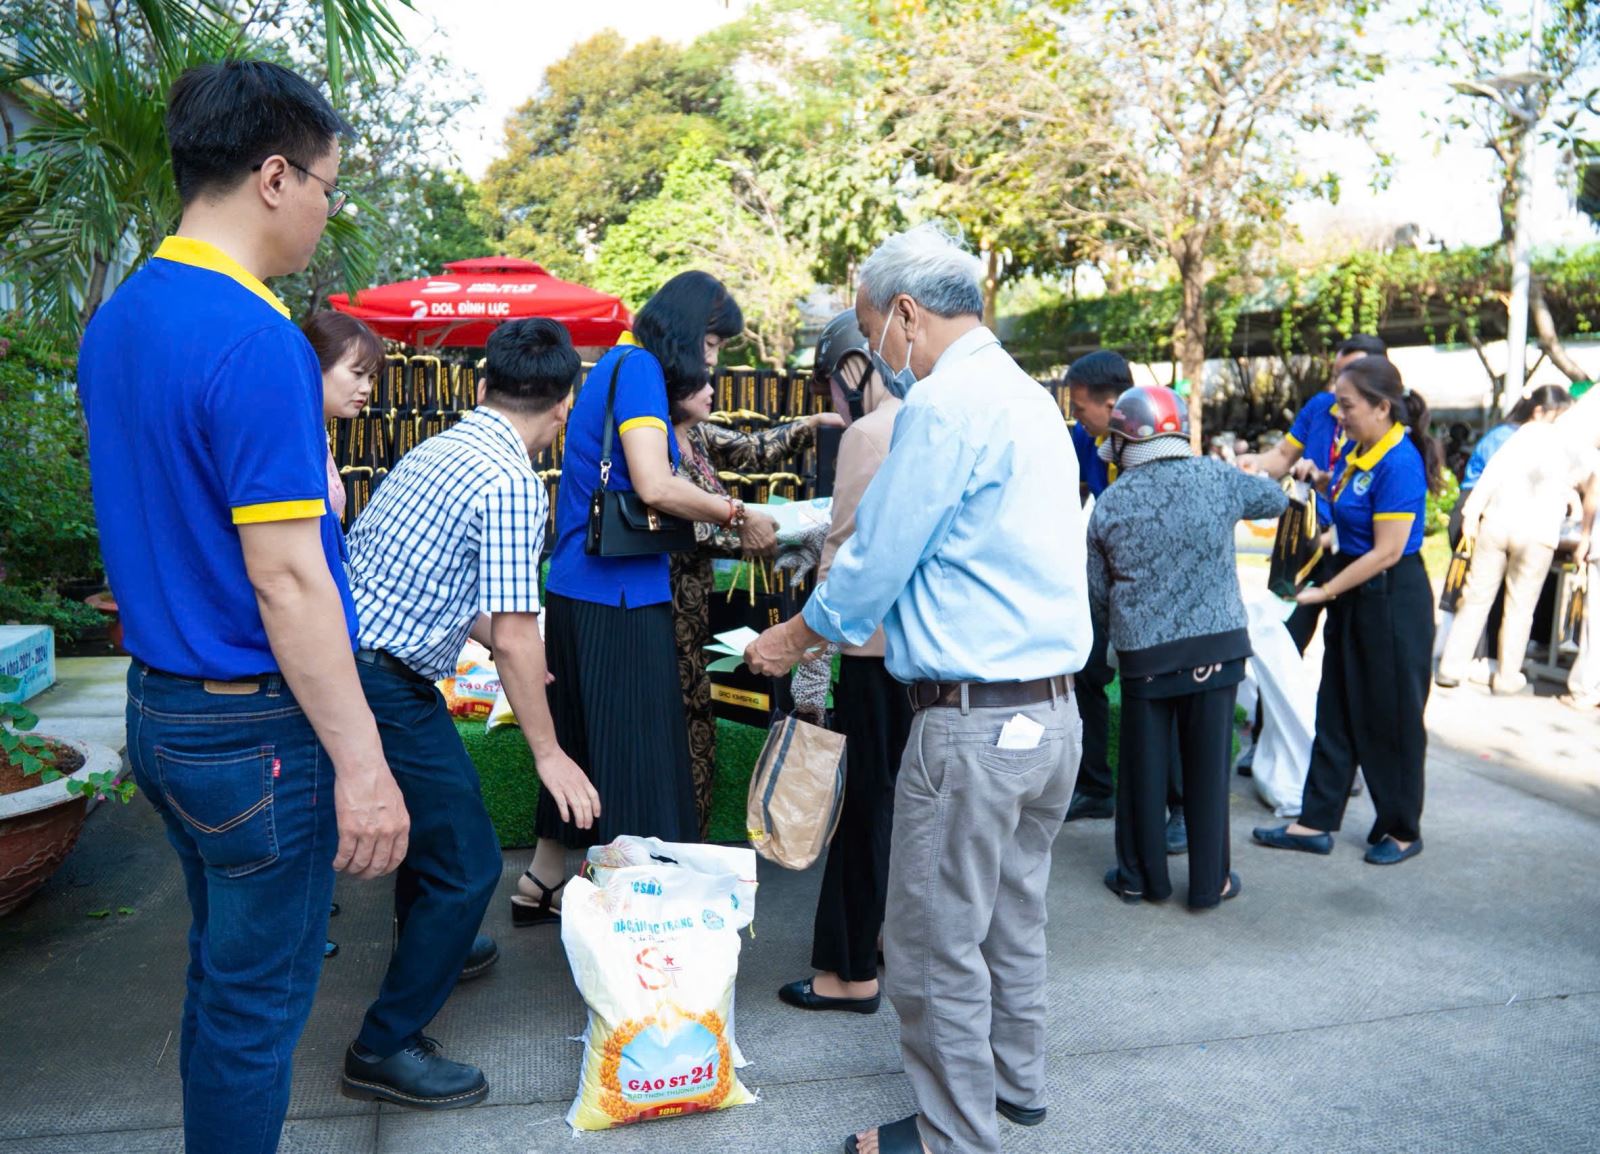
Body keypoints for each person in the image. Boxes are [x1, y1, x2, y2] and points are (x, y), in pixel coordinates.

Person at [78, 61, 409, 1154]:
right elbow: (289, 575)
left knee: (226, 979)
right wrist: (362, 765)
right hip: (253, 726)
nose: (326, 207)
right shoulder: (257, 336)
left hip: (163, 708)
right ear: (273, 176)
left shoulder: (121, 319)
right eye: (325, 183)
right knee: (255, 1004)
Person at [745, 223, 1092, 1154]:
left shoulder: (946, 404)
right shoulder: (1029, 399)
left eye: (871, 334)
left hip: (972, 725)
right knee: (1013, 916)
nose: (878, 358)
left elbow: (870, 562)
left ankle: (952, 1135)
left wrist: (787, 637)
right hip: (1053, 716)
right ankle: (1018, 1090)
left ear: (905, 314)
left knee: (937, 940)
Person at [338, 318, 600, 1107]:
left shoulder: (446, 446)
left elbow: (443, 582)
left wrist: (507, 642)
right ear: (562, 409)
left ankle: (438, 948)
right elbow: (516, 632)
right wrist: (549, 753)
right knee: (471, 864)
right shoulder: (515, 480)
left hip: (358, 657)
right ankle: (382, 1047)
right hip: (386, 683)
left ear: (484, 386)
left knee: (438, 837)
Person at [521, 272, 753, 913]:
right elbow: (652, 485)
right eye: (710, 342)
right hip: (619, 593)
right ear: (684, 332)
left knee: (582, 740)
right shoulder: (642, 369)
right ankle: (639, 915)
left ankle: (542, 880)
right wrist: (733, 512)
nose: (712, 358)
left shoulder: (615, 366)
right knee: (635, 757)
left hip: (576, 588)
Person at [1090, 386, 1287, 908]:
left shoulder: (1111, 503)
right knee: (1207, 773)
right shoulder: (1218, 479)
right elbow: (1277, 500)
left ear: (1125, 440)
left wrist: (1114, 647)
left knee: (1142, 776)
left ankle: (1139, 879)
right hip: (1218, 650)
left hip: (1146, 660)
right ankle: (1209, 884)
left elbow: (1098, 595)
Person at [777, 310, 914, 1016]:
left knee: (867, 810)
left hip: (875, 653)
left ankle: (849, 970)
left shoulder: (873, 430)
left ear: (856, 368)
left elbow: (843, 560)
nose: (832, 400)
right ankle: (892, 938)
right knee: (913, 812)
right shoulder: (949, 422)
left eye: (831, 382)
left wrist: (805, 668)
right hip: (941, 662)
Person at [1254, 356, 1444, 866]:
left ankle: (1401, 829)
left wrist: (1325, 592)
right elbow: (1345, 524)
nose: (1338, 416)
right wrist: (1318, 485)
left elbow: (1386, 551)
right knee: (1335, 705)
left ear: (1382, 407)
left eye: (1347, 406)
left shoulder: (1398, 462)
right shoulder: (1357, 453)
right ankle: (1313, 822)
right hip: (1355, 590)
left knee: (1391, 716)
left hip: (1390, 598)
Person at [670, 363, 839, 835]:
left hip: (701, 605)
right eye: (699, 376)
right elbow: (686, 525)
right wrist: (761, 531)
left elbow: (751, 450)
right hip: (668, 609)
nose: (711, 388)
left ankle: (692, 837)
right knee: (681, 724)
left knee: (700, 721)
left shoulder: (697, 434)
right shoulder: (655, 445)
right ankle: (675, 839)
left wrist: (811, 424)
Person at [301, 310, 384, 963]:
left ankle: (306, 907)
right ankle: (299, 917)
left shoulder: (322, 437)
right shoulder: (296, 438)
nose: (367, 389)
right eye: (355, 373)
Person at [1438, 387, 1596, 695]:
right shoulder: (1578, 448)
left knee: (1476, 597)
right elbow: (1588, 486)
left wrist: (1472, 513)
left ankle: (1450, 667)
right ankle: (1507, 677)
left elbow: (1494, 472)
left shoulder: (1526, 433)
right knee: (1521, 607)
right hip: (1538, 534)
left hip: (1496, 523)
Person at [1062, 351, 1127, 825]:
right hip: (1102, 582)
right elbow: (1076, 493)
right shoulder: (1090, 439)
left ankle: (1179, 808)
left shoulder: (1148, 445)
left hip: (1145, 593)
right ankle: (1096, 786)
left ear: (1114, 404)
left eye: (1082, 407)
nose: (1078, 417)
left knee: (1153, 694)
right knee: (1086, 673)